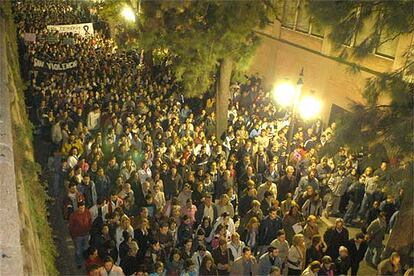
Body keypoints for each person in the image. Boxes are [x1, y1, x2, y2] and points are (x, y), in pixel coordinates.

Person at [69, 201, 92, 269]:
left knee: (85, 249)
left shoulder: (87, 212)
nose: (82, 209)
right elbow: (71, 226)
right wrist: (73, 235)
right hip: (78, 236)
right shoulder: (74, 215)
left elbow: (90, 221)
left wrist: (89, 229)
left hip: (86, 234)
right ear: (78, 208)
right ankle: (79, 262)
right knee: (78, 251)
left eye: (83, 208)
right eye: (81, 208)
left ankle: (86, 263)